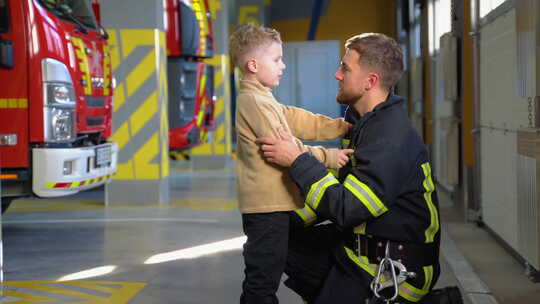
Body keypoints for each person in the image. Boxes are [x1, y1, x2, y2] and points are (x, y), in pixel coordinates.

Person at [257, 33, 441, 304]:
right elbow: (340, 184)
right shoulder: (365, 124)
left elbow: (347, 208)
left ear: (371, 81)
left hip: (393, 272)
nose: (337, 75)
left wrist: (297, 160)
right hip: (364, 246)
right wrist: (280, 210)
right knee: (274, 234)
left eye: (345, 68)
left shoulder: (390, 137)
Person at [229, 23, 354, 304]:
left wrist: (339, 127)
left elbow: (296, 118)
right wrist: (329, 157)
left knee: (269, 272)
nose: (282, 65)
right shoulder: (254, 102)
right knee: (262, 282)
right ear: (252, 65)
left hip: (276, 204)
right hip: (266, 209)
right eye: (276, 59)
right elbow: (287, 148)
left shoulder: (263, 98)